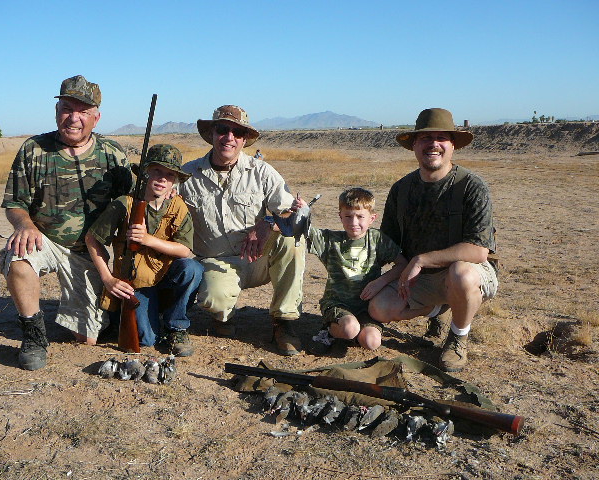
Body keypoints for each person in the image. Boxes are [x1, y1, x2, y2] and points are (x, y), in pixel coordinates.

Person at [0, 75, 133, 370]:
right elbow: (14, 203)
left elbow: (130, 204)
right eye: (67, 108)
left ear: (95, 118)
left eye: (83, 111)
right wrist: (25, 224)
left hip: (89, 253)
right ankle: (33, 336)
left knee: (87, 339)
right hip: (43, 240)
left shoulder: (113, 154)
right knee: (20, 258)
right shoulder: (33, 149)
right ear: (57, 111)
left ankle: (90, 313)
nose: (74, 118)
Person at [368, 108, 498, 372]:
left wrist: (422, 259)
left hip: (466, 271)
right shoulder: (402, 189)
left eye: (441, 138)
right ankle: (438, 310)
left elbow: (478, 252)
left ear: (452, 145)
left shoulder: (471, 186)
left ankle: (458, 338)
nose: (433, 144)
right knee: (379, 309)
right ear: (415, 145)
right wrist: (387, 277)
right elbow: (389, 245)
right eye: (426, 138)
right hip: (418, 277)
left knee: (461, 275)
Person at [178, 105, 305, 356]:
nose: (229, 137)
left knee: (292, 243)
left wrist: (267, 223)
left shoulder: (262, 172)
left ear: (245, 139)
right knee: (214, 299)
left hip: (258, 258)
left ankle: (284, 323)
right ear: (212, 133)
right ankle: (222, 316)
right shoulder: (187, 175)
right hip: (217, 261)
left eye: (237, 132)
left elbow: (290, 212)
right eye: (223, 130)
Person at [85, 144, 203, 356]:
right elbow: (92, 238)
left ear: (175, 180)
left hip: (165, 279)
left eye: (169, 174)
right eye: (156, 170)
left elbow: (185, 251)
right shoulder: (124, 204)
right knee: (146, 340)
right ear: (146, 172)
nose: (162, 178)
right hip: (136, 284)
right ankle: (144, 316)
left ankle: (176, 326)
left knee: (192, 269)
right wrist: (108, 279)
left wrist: (148, 239)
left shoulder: (178, 206)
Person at [292, 187, 408, 354]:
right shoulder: (330, 241)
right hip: (337, 304)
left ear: (372, 218)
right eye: (348, 216)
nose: (354, 223)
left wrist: (380, 282)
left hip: (368, 307)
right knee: (350, 329)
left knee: (372, 342)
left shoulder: (377, 240)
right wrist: (303, 210)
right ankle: (330, 330)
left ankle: (352, 332)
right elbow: (305, 231)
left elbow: (402, 264)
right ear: (340, 217)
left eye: (360, 216)